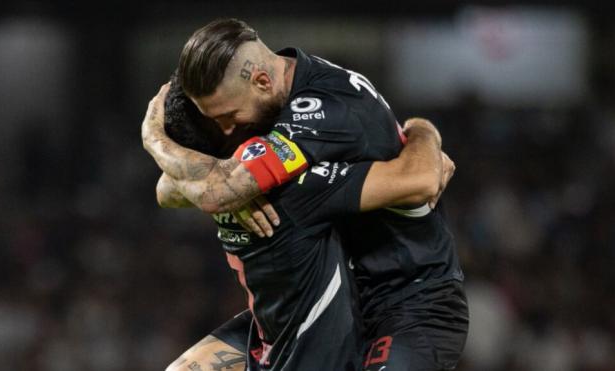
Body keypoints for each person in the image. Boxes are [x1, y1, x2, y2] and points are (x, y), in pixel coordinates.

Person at [143, 18, 468, 371]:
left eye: (229, 117)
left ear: (263, 82)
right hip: (348, 298)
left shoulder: (324, 114)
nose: (228, 130)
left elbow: (423, 178)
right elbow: (175, 188)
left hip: (413, 300)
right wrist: (235, 187)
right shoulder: (282, 90)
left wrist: (153, 137)